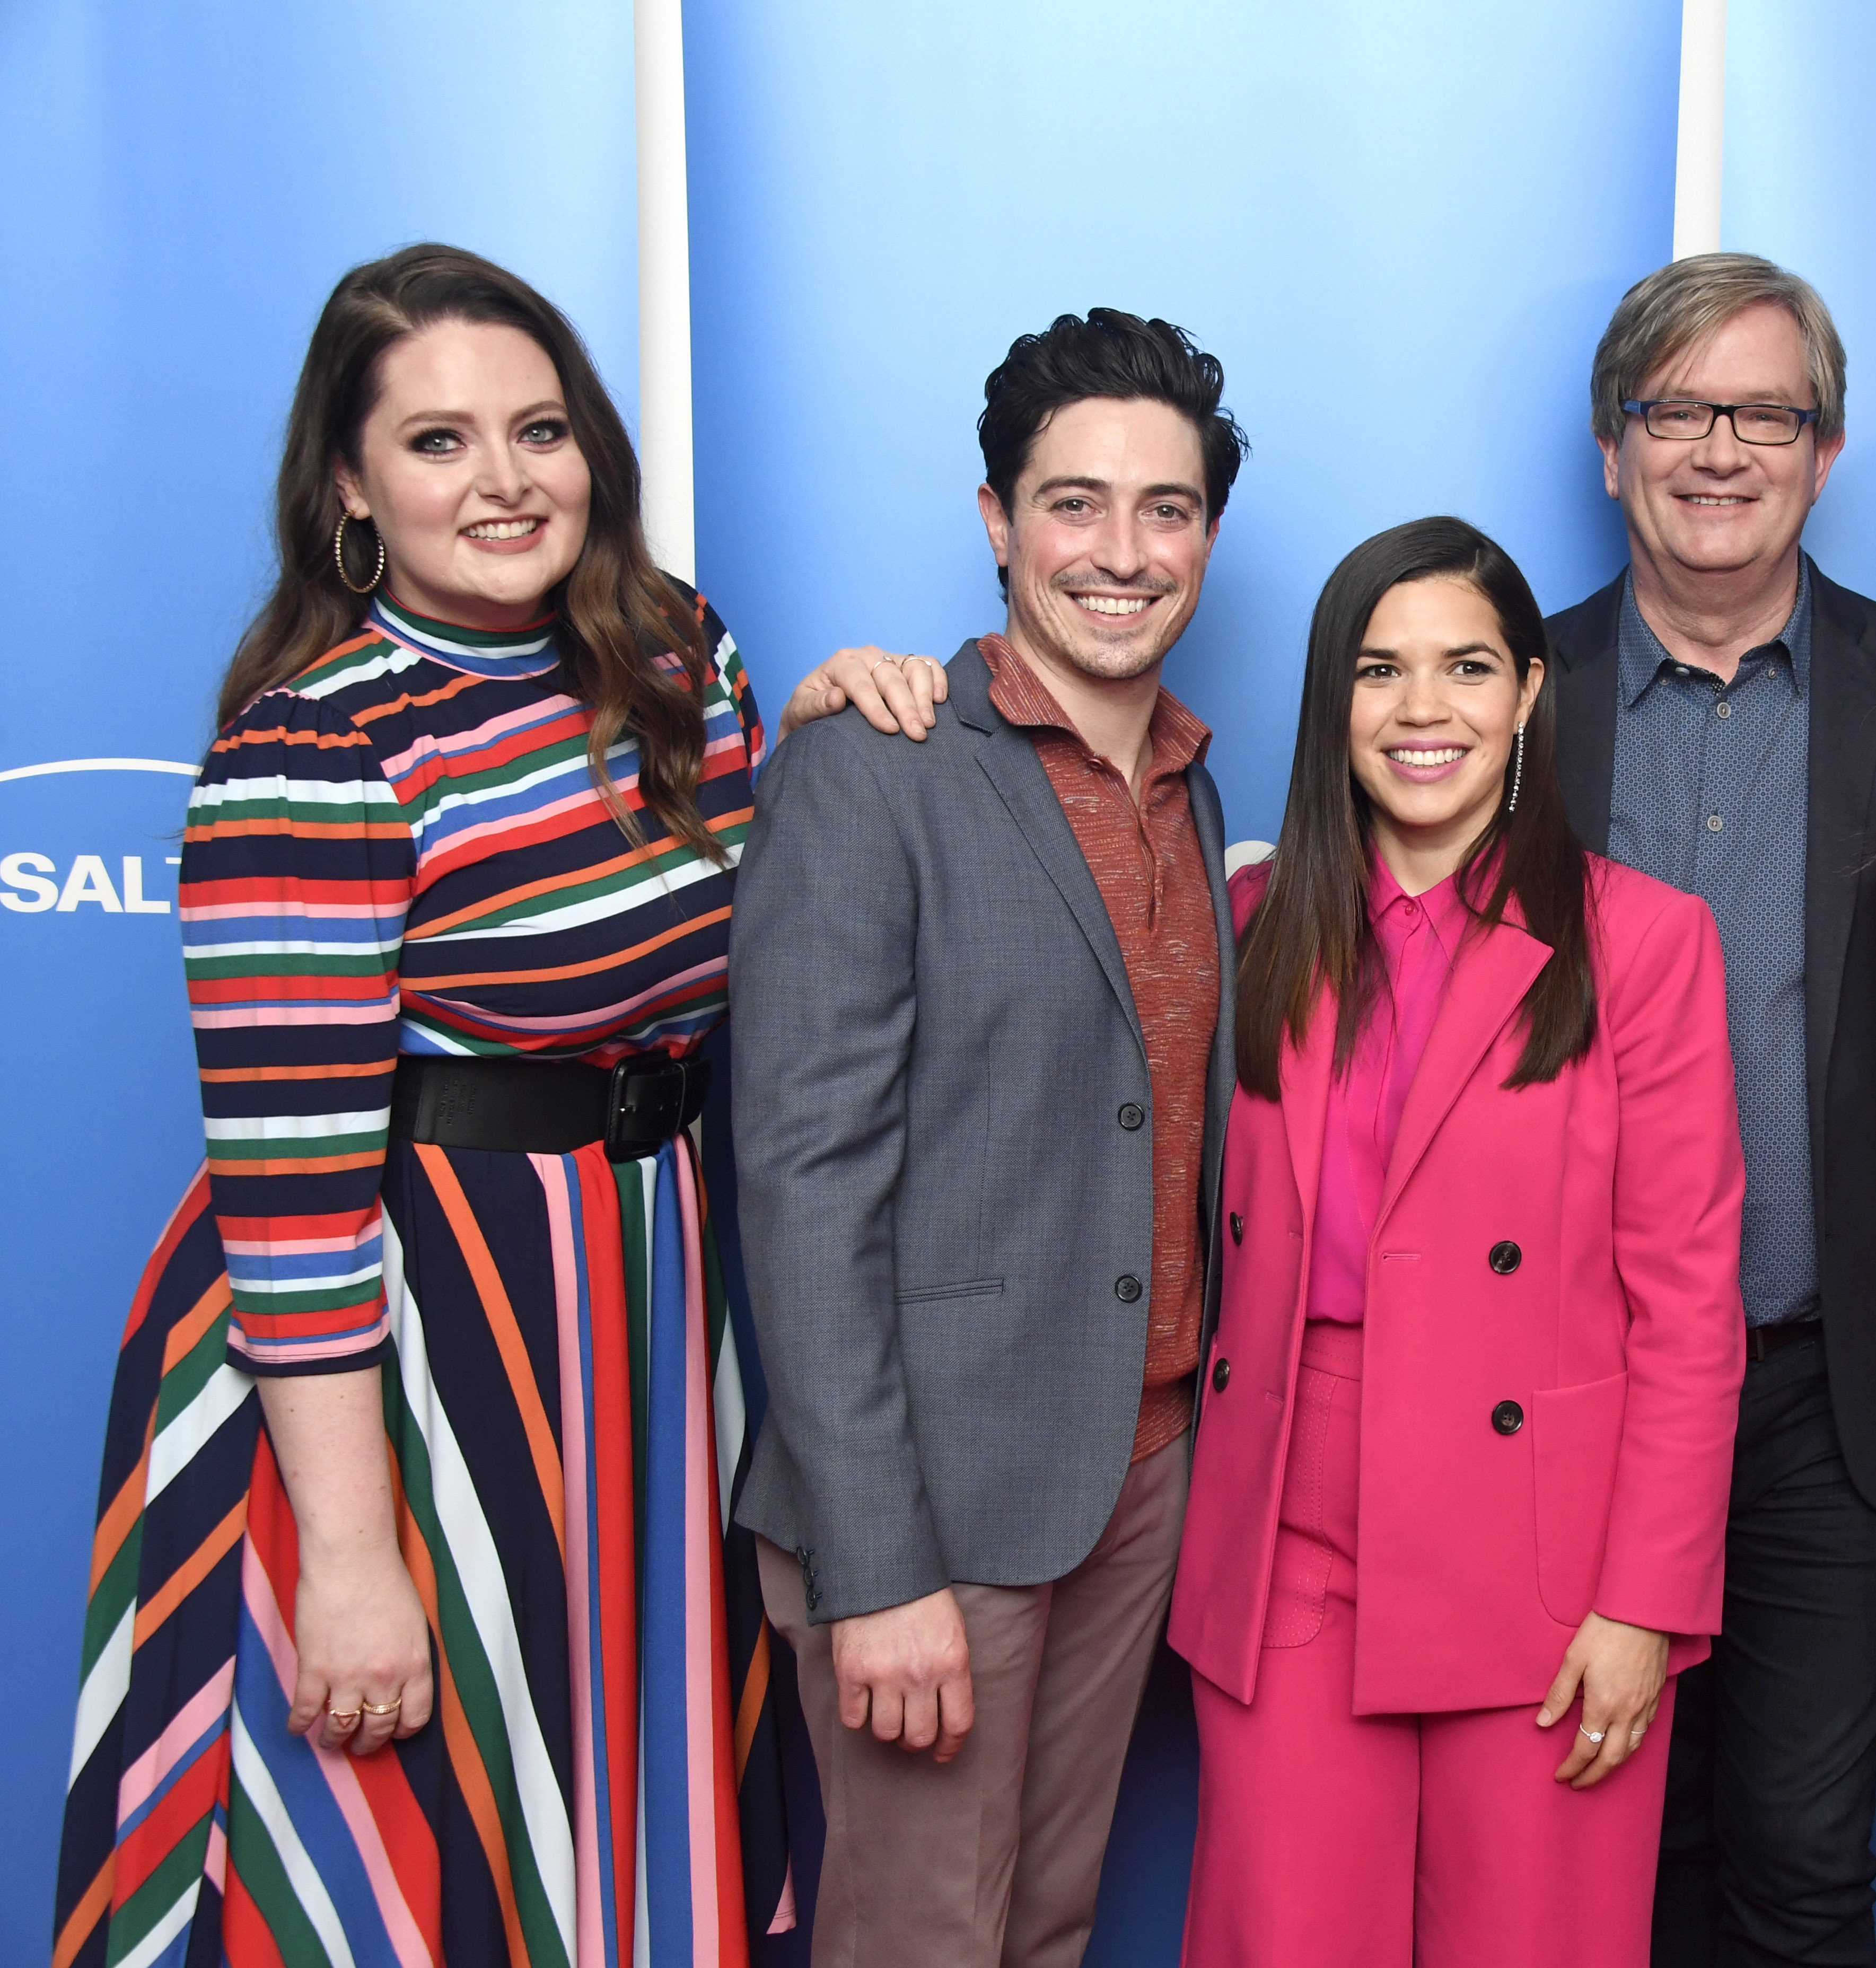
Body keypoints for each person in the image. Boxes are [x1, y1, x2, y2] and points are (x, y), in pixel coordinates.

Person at [57, 243, 795, 1966]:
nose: (506, 480)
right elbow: (291, 1193)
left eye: (539, 430)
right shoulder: (312, 754)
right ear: (350, 486)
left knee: (612, 1789)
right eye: (440, 442)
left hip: (641, 1302)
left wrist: (854, 709)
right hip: (409, 1338)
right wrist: (353, 1554)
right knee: (433, 1830)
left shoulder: (679, 653)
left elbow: (788, 915)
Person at [729, 308, 1243, 1968]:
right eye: (1073, 502)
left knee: (1044, 1929)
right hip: (929, 1503)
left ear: (1208, 539)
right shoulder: (872, 769)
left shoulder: (1193, 786)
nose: (1121, 550)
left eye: (1163, 509)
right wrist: (877, 1569)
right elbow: (803, 1192)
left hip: (1138, 1469)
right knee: (919, 1943)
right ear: (995, 519)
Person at [1165, 515, 1747, 1966]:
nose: (1424, 712)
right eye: (1380, 671)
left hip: (1550, 1557)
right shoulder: (1246, 926)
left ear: (1530, 695)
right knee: (1287, 1938)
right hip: (1292, 1526)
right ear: (1332, 704)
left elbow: (1690, 1309)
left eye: (1468, 668)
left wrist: (1645, 1606)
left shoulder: (1646, 942)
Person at [1542, 252, 1876, 1968]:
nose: (1719, 449)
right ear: (1612, 449)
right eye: (1675, 410)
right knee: (1591, 1851)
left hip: (1822, 1393)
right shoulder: (1497, 697)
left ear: (1825, 451)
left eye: (1762, 412)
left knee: (1798, 1862)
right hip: (1559, 1389)